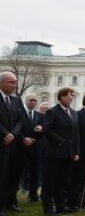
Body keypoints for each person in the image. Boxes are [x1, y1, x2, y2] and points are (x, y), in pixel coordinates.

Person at [41, 87, 80, 215]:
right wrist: (60, 141)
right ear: (61, 97)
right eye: (68, 95)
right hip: (54, 153)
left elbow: (76, 135)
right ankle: (48, 208)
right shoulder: (52, 112)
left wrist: (76, 151)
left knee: (62, 182)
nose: (70, 97)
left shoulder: (74, 113)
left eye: (71, 95)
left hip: (69, 154)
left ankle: (60, 206)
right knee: (49, 182)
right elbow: (46, 129)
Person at [0, 72, 23, 215]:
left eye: (16, 82)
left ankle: (9, 202)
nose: (15, 85)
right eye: (12, 82)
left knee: (12, 176)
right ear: (2, 82)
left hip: (13, 145)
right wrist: (5, 133)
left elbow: (20, 121)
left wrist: (13, 134)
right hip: (1, 142)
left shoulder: (16, 100)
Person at [20, 93, 44, 203]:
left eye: (35, 100)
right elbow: (16, 127)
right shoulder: (19, 113)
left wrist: (41, 128)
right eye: (31, 100)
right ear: (26, 100)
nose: (33, 102)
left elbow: (44, 131)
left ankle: (33, 195)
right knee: (18, 171)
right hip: (21, 146)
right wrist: (24, 138)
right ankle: (10, 197)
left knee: (35, 172)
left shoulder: (39, 115)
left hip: (35, 148)